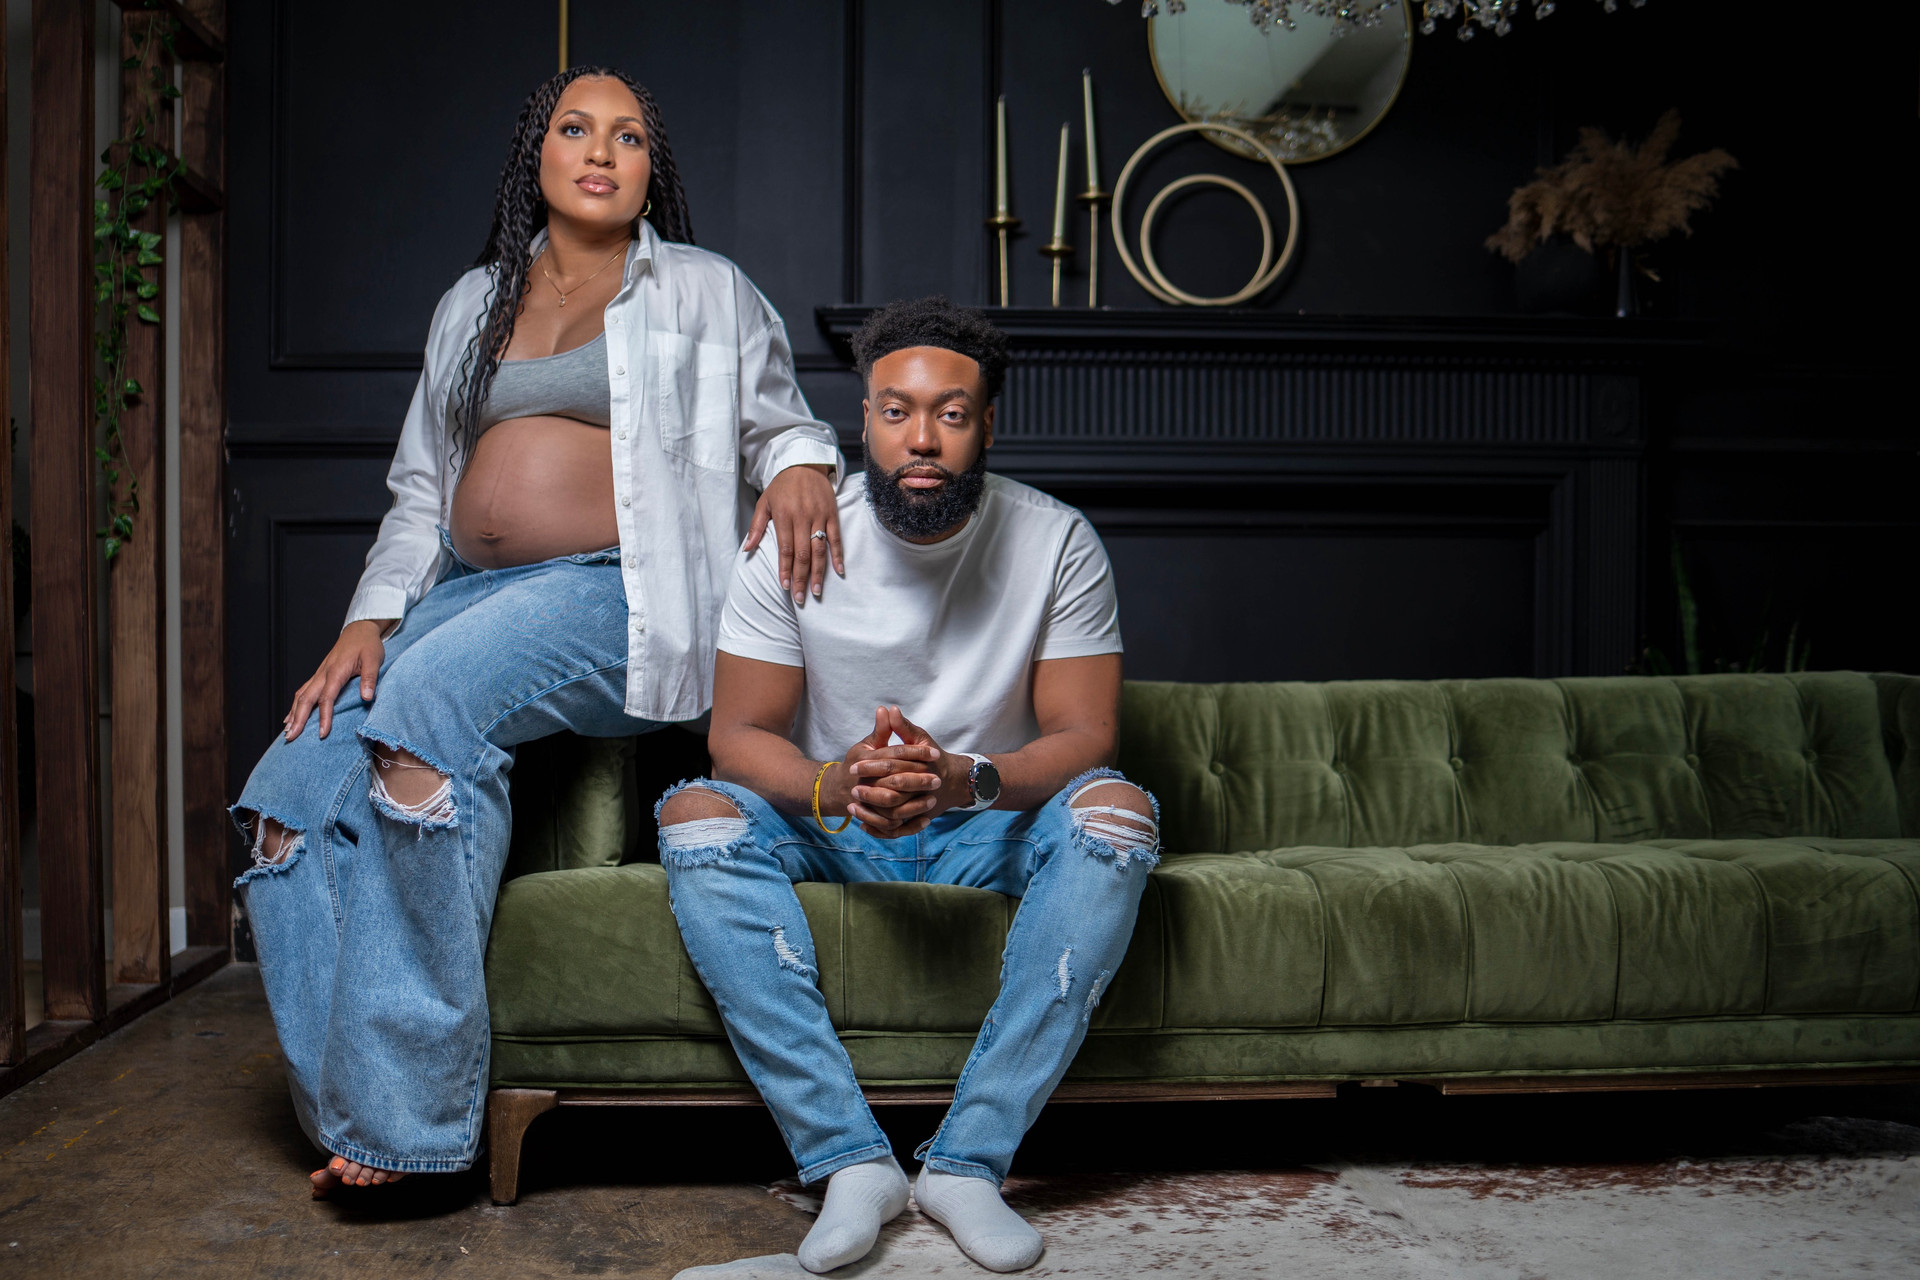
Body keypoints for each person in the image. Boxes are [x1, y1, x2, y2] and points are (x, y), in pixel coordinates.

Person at [231, 66, 848, 1197]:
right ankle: (355, 1114)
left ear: (651, 170)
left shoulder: (703, 289)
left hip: (625, 592)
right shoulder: (472, 304)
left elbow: (784, 425)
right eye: (576, 127)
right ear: (539, 154)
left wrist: (803, 464)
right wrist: (369, 619)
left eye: (629, 136)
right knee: (289, 793)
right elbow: (422, 490)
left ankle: (413, 1127)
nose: (602, 150)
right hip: (463, 598)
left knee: (426, 714)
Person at [656, 297, 1160, 1274]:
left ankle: (967, 1163)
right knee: (696, 812)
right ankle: (850, 1159)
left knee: (1118, 813)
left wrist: (966, 779)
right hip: (832, 822)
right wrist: (836, 781)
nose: (921, 438)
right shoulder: (795, 536)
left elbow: (1087, 735)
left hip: (988, 822)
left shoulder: (1055, 539)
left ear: (987, 425)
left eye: (950, 413)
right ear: (865, 419)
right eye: (896, 411)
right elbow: (735, 738)